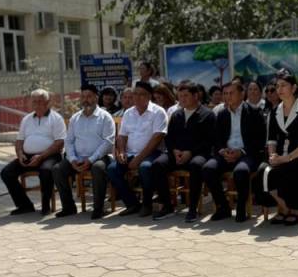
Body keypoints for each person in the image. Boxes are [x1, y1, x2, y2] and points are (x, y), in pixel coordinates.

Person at [253, 70, 298, 226]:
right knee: (262, 171)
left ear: (294, 88)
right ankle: (284, 207)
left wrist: (287, 158)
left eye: (283, 85)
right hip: (279, 156)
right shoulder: (275, 111)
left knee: (290, 169)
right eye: (277, 86)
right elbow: (271, 140)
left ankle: (294, 209)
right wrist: (273, 156)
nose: (279, 89)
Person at [151, 81, 215, 222]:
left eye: (186, 95)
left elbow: (209, 141)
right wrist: (174, 151)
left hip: (198, 154)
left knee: (196, 165)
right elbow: (169, 137)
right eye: (180, 96)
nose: (182, 99)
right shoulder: (177, 115)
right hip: (176, 153)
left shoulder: (207, 115)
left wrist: (190, 152)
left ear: (196, 96)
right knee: (157, 164)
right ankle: (167, 206)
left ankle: (192, 209)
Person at [204, 80, 266, 223]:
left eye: (231, 93)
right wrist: (222, 151)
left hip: (247, 154)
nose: (227, 96)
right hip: (226, 154)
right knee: (208, 168)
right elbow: (216, 138)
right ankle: (223, 207)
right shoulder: (222, 114)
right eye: (225, 93)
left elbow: (259, 141)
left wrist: (241, 152)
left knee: (241, 171)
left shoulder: (254, 113)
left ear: (242, 94)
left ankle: (241, 208)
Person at [53, 84, 116, 220]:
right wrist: (72, 159)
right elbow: (69, 141)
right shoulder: (75, 118)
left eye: (89, 96)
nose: (86, 100)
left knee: (98, 168)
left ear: (96, 98)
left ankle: (98, 209)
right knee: (58, 169)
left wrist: (91, 159)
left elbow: (108, 142)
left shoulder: (105, 117)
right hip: (78, 158)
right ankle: (69, 207)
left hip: (100, 157)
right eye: (83, 97)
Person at [0, 89, 66, 215]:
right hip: (28, 156)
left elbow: (59, 143)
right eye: (34, 102)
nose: (37, 104)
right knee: (6, 173)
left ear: (47, 102)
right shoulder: (27, 119)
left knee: (46, 170)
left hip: (50, 155)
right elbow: (19, 140)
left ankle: (45, 206)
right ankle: (25, 205)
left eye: (40, 101)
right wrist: (20, 154)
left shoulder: (56, 118)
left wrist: (41, 156)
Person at [107, 81, 168, 216]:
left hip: (153, 153)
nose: (137, 97)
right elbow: (122, 136)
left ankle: (147, 204)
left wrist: (139, 158)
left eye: (142, 94)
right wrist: (121, 152)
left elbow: (157, 138)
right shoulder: (129, 113)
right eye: (135, 94)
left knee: (145, 167)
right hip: (130, 153)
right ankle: (132, 203)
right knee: (112, 169)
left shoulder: (158, 112)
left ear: (149, 96)